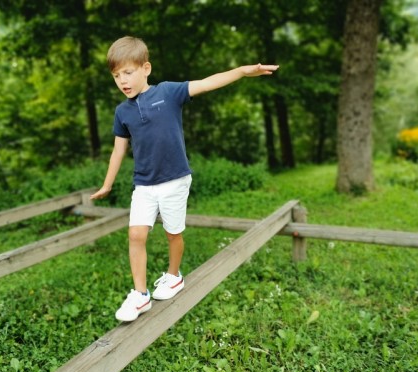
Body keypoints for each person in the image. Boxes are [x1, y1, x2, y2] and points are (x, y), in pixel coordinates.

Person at [90, 36, 278, 322]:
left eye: (127, 72)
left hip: (175, 180)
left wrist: (241, 71)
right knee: (136, 234)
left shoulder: (168, 92)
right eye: (116, 76)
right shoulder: (122, 112)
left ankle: (174, 275)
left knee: (172, 233)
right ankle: (140, 295)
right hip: (143, 183)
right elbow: (118, 151)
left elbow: (207, 82)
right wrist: (107, 183)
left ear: (146, 68)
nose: (122, 81)